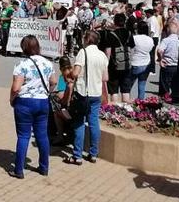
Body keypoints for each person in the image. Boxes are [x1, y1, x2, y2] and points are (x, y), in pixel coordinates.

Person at [9, 35, 57, 178]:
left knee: (23, 136)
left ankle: (19, 170)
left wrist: (12, 100)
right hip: (42, 101)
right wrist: (48, 91)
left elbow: (16, 87)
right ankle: (44, 167)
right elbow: (53, 81)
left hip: (25, 102)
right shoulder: (48, 63)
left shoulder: (22, 65)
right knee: (42, 135)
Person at [66, 30, 109, 165]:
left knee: (79, 123)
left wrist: (72, 72)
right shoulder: (102, 55)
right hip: (96, 93)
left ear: (87, 39)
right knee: (94, 123)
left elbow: (76, 73)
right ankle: (93, 153)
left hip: (83, 93)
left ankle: (77, 155)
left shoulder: (82, 53)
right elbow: (105, 77)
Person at [103, 14, 131, 103]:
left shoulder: (111, 35)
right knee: (126, 90)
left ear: (115, 22)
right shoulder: (129, 33)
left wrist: (105, 65)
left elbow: (108, 51)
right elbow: (132, 49)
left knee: (114, 91)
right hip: (126, 65)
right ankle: (126, 109)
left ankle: (115, 110)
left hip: (114, 65)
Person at [126, 21, 155, 100]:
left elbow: (129, 48)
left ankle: (127, 101)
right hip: (146, 63)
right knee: (142, 85)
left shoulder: (134, 38)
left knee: (129, 85)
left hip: (135, 62)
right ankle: (141, 103)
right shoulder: (150, 39)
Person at [157, 21, 179, 97]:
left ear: (168, 30)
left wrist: (161, 59)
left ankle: (165, 98)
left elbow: (160, 50)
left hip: (167, 65)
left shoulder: (166, 40)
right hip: (177, 66)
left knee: (164, 86)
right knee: (175, 85)